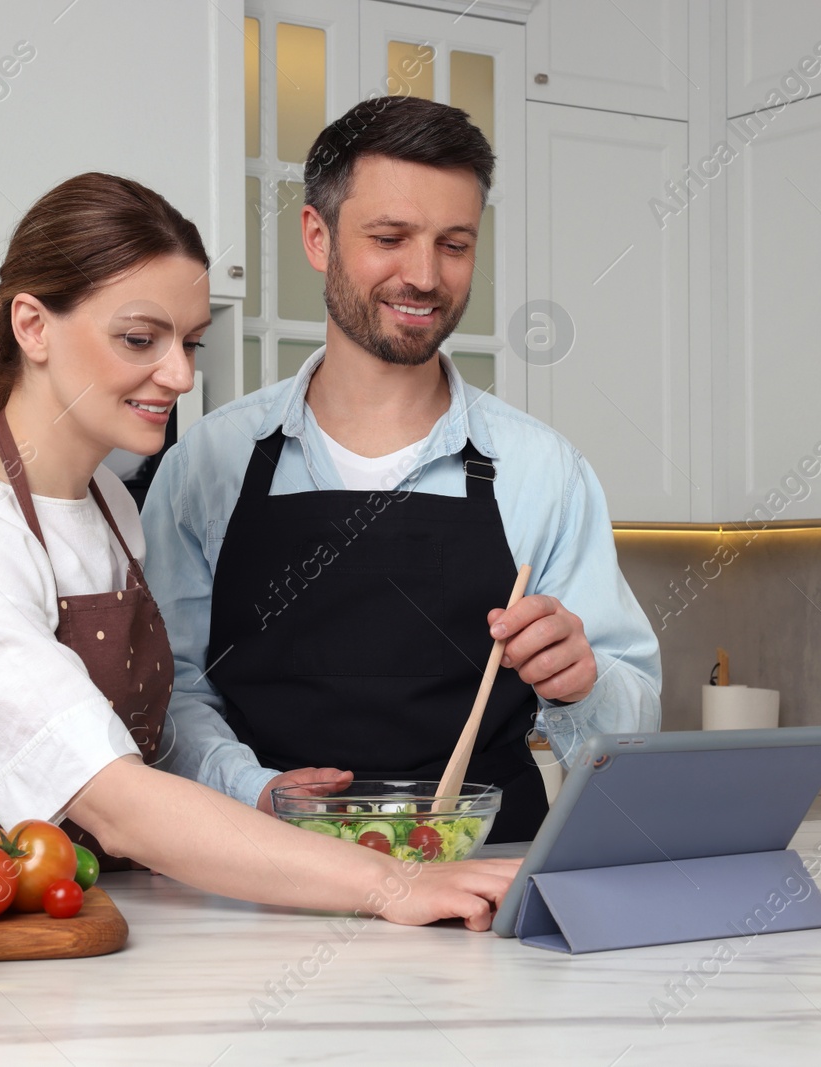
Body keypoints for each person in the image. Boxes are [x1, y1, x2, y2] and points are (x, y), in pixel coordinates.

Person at [0, 173, 516, 927]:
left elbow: (142, 742)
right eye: (139, 339)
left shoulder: (110, 502)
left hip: (75, 908)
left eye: (188, 342)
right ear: (32, 326)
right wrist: (392, 885)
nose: (181, 375)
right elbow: (115, 801)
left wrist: (256, 791)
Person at [142, 97, 662, 843]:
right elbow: (169, 695)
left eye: (455, 244)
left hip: (489, 882)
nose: (424, 275)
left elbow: (635, 720)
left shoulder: (543, 469)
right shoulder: (207, 463)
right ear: (317, 237)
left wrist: (584, 685)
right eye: (390, 237)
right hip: (262, 873)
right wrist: (253, 789)